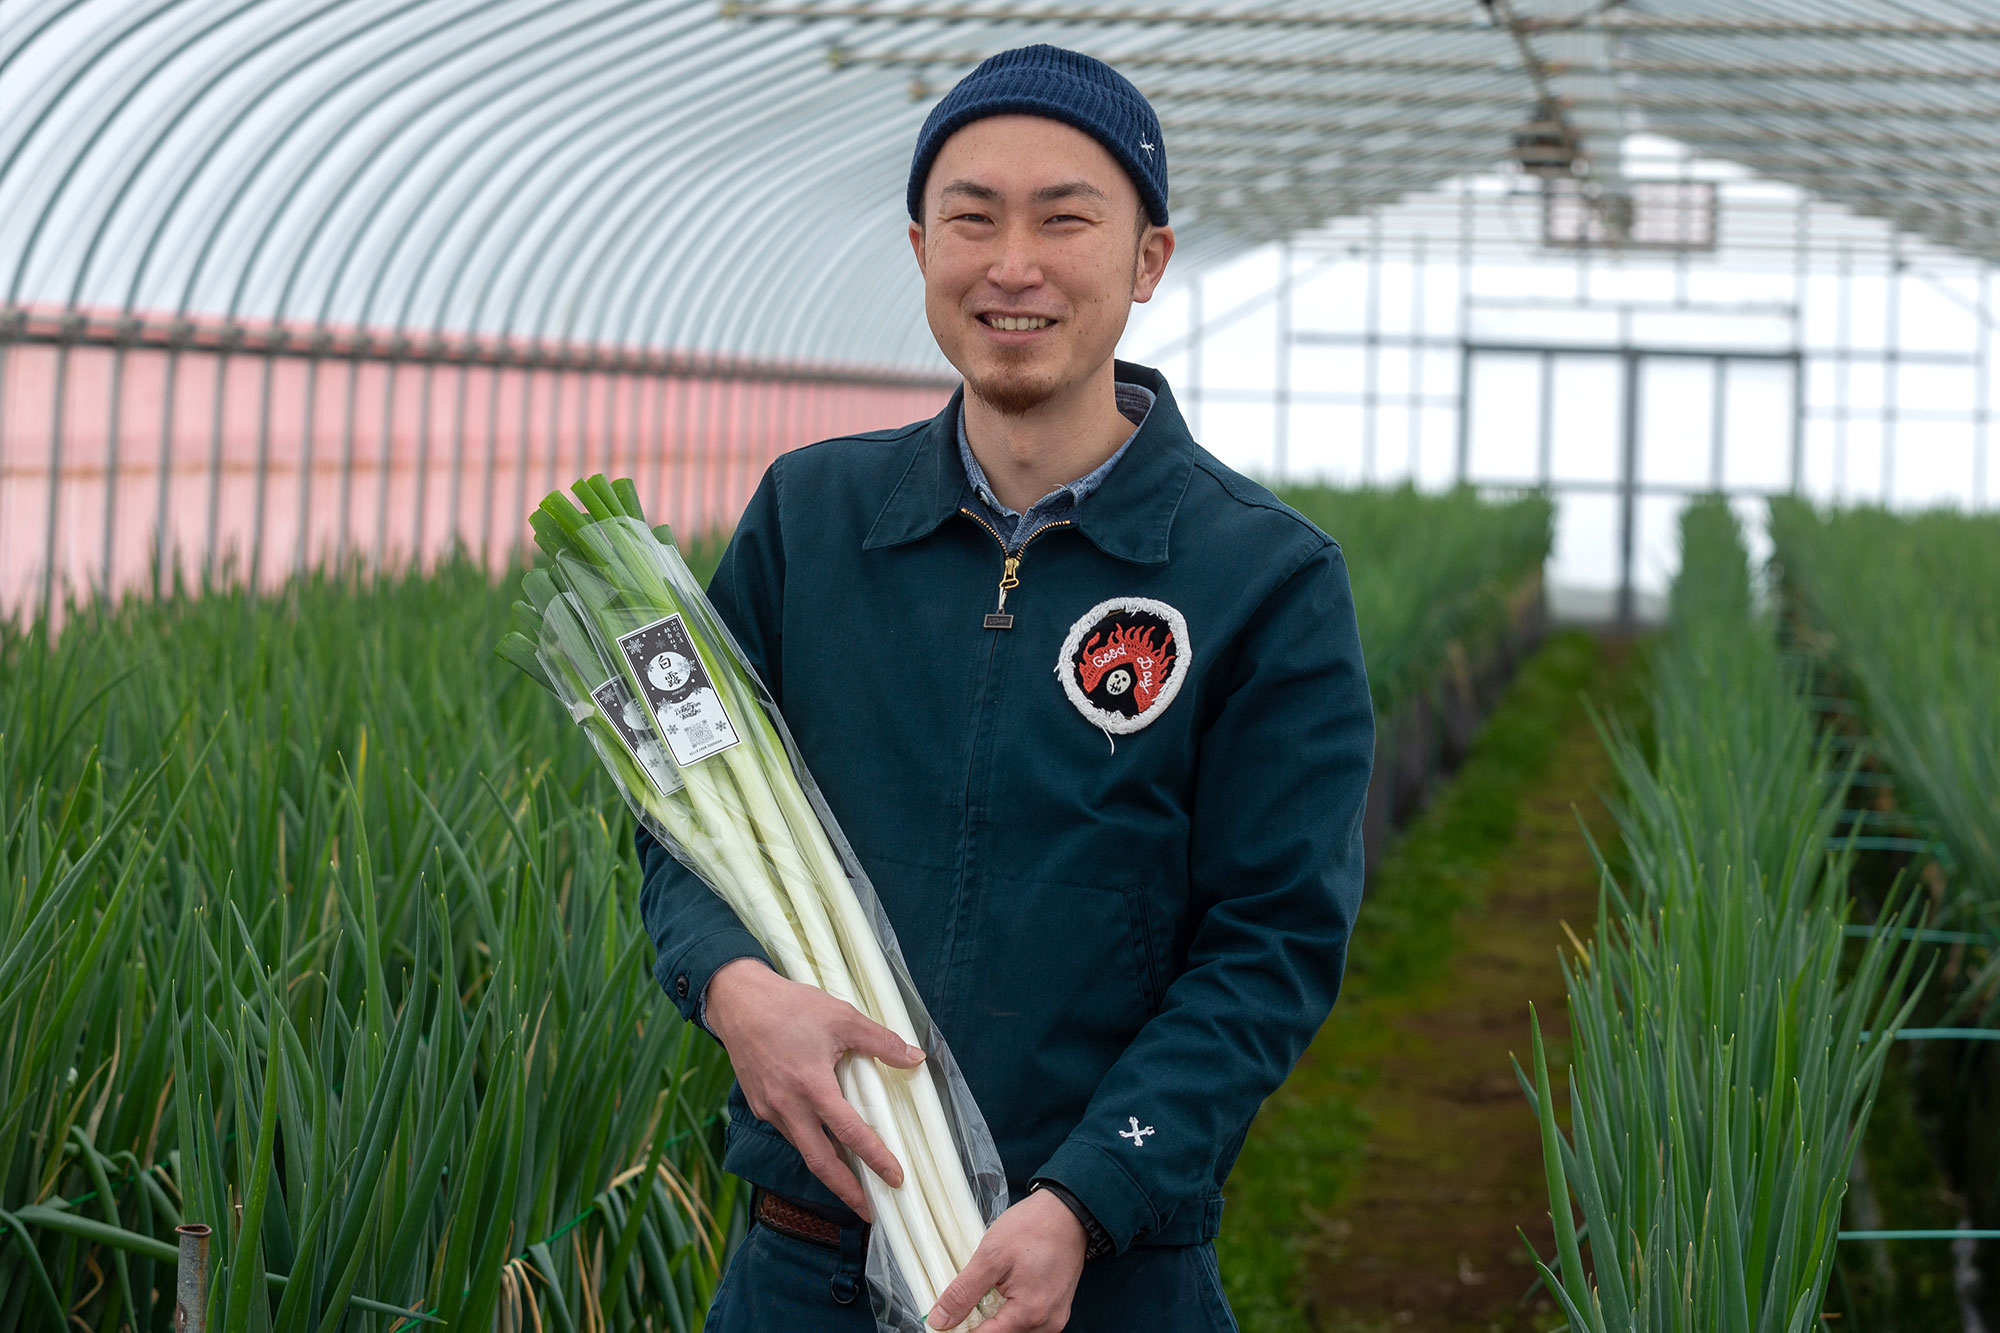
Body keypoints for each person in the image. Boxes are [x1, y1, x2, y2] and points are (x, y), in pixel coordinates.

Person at [636, 43, 1374, 1333]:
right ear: (922, 248)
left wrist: (1088, 1197)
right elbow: (681, 803)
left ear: (1148, 260)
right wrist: (729, 985)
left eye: (1065, 220)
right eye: (972, 220)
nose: (1013, 265)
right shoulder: (809, 518)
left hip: (1102, 1277)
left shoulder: (1263, 578)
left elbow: (1272, 943)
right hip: (802, 1267)